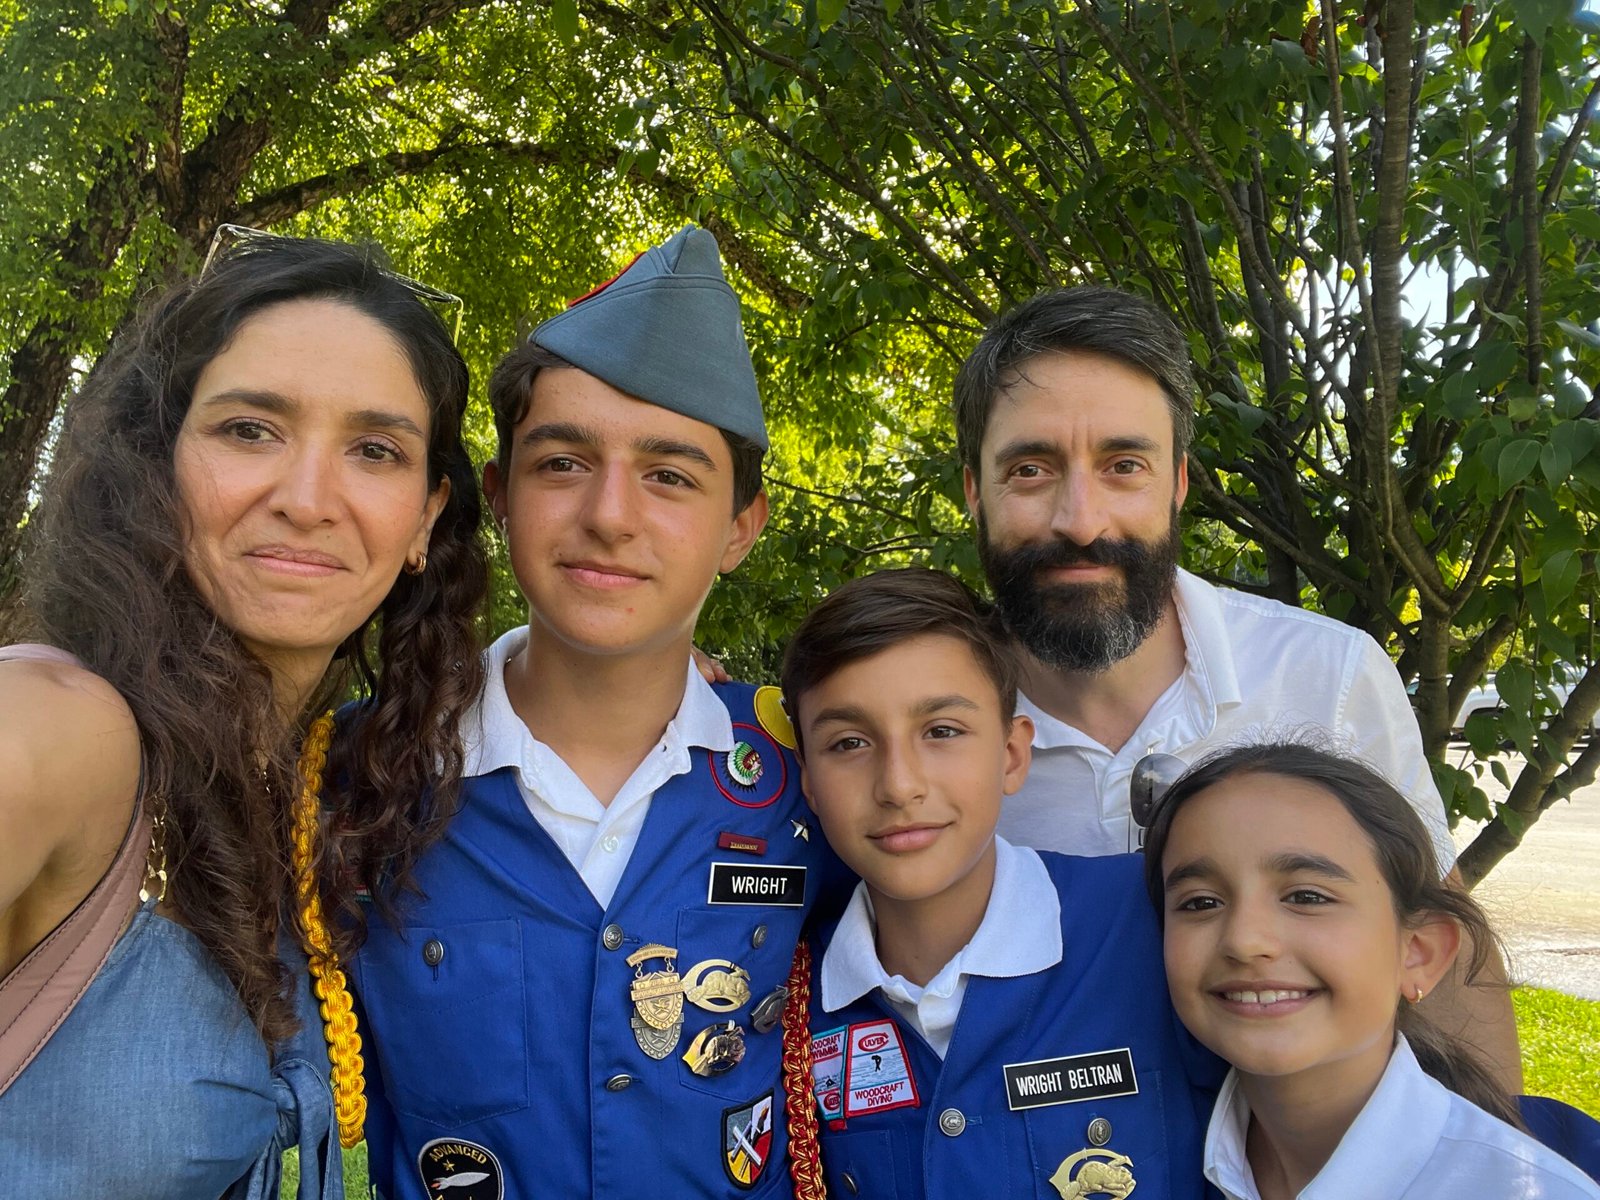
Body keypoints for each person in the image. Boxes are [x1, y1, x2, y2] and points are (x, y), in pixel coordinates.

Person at [350, 225, 844, 1200]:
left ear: (741, 527)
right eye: (563, 463)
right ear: (498, 495)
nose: (610, 515)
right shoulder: (352, 776)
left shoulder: (816, 780)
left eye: (669, 476)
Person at [0, 231, 488, 1197]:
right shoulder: (57, 731)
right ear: (155, 464)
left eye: (374, 450)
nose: (307, 500)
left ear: (426, 519)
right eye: (249, 430)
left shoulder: (310, 795)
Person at [953, 284, 1522, 1088]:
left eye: (1124, 466)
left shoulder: (1326, 676)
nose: (1080, 520)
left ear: (1179, 482)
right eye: (1031, 469)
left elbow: (1442, 955)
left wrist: (1494, 1141)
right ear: (974, 491)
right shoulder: (922, 741)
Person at [776, 567, 1222, 1200]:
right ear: (809, 781)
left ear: (1012, 755)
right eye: (849, 743)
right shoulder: (784, 994)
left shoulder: (1158, 921)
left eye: (942, 732)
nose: (899, 785)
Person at [1142, 743, 1599, 1199]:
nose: (1245, 940)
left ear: (1418, 953)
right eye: (1201, 903)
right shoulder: (1149, 1159)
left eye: (1306, 897)